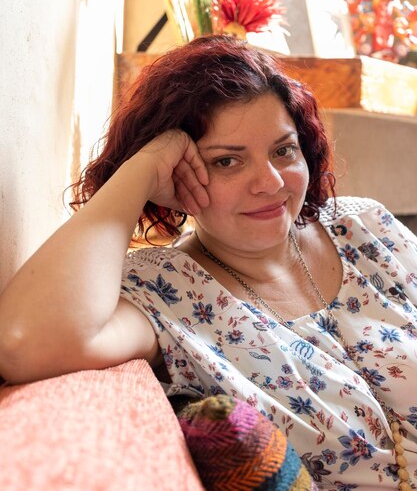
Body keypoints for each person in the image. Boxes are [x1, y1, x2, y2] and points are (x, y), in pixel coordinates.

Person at [0, 34, 416, 489]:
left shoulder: (363, 226)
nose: (271, 181)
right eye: (226, 162)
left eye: (283, 150)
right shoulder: (168, 294)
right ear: (178, 176)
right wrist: (139, 172)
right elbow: (23, 344)